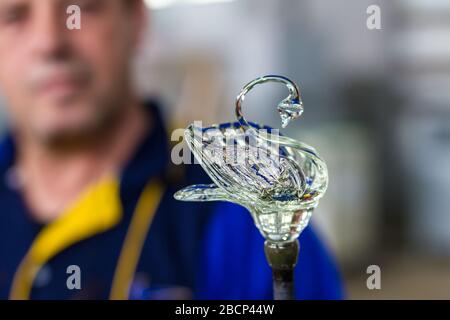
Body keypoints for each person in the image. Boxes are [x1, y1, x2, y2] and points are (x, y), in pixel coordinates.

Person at [0, 0, 343, 299]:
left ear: (136, 19)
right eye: (14, 15)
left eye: (83, 7)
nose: (49, 42)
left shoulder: (240, 217)